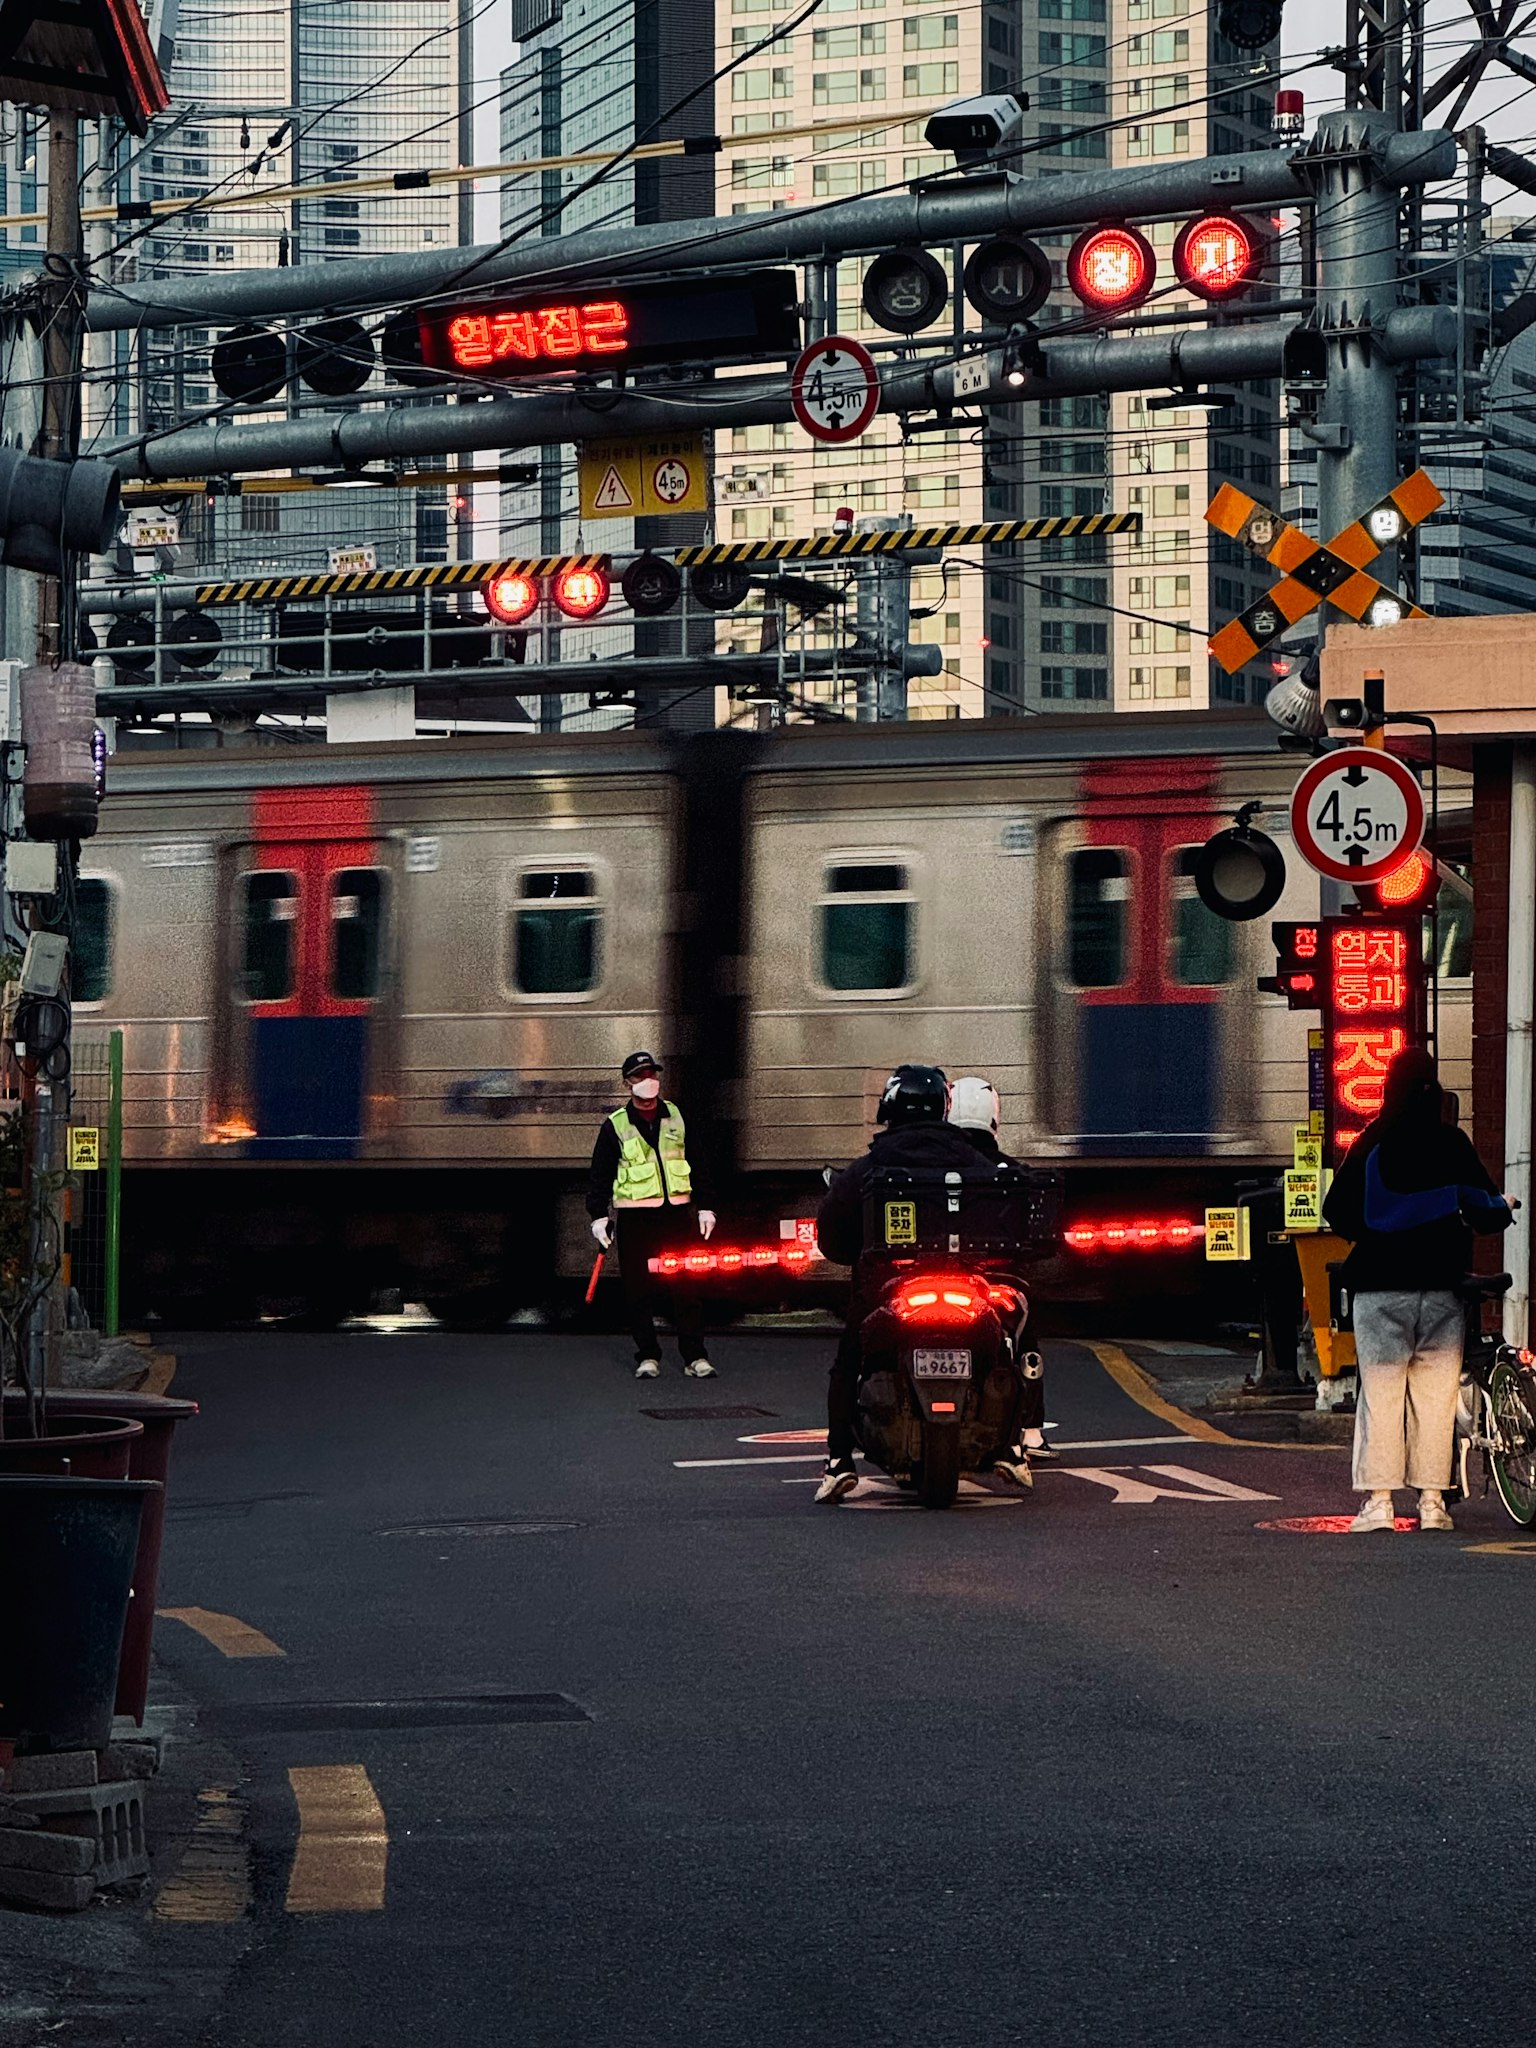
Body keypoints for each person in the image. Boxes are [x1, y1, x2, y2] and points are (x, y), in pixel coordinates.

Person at [812, 1063, 1025, 1503]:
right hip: (965, 1286)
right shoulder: (975, 1161)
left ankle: (838, 1463)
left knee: (847, 1363)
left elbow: (832, 1233)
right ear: (943, 1107)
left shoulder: (869, 1167)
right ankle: (1013, 1447)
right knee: (1004, 1350)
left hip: (887, 1290)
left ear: (891, 1106)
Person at [1322, 1046, 1512, 1534]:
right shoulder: (1453, 1143)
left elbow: (1337, 1211)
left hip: (1382, 1289)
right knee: (1436, 1395)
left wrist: (1379, 1230)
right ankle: (1432, 1504)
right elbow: (1489, 1212)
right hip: (1444, 1287)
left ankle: (1380, 1503)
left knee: (1381, 1395)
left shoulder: (1373, 1141)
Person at [587, 1050, 717, 1380]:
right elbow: (600, 1175)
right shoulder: (615, 1125)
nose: (648, 1081)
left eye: (652, 1075)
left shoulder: (676, 1116)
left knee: (686, 1287)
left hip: (675, 1216)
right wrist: (598, 1216)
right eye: (640, 1076)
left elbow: (700, 1162)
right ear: (627, 1083)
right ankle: (648, 1355)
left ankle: (695, 1357)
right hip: (635, 1219)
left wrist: (705, 1206)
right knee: (638, 1290)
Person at [948, 1075, 1051, 1473]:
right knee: (1025, 1335)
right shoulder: (1012, 1172)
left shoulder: (929, 1169)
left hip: (933, 1275)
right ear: (993, 1116)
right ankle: (1030, 1432)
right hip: (996, 1281)